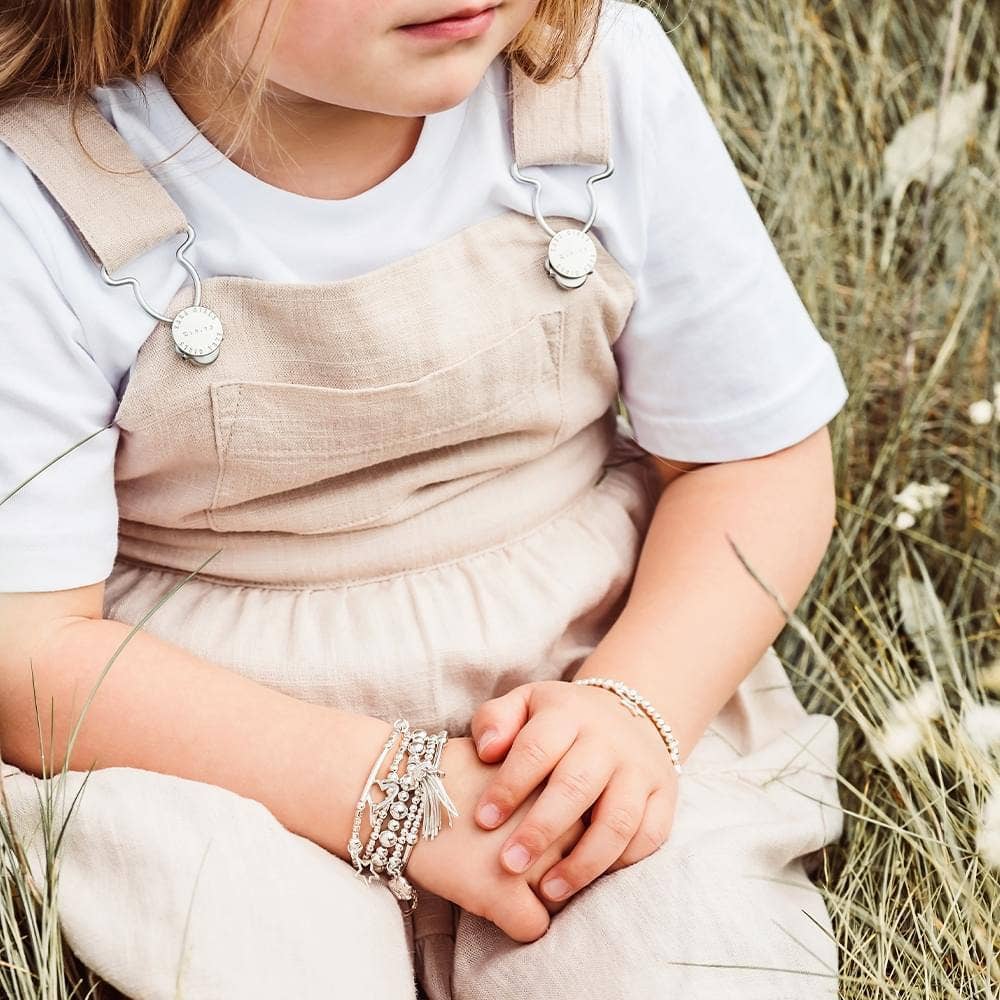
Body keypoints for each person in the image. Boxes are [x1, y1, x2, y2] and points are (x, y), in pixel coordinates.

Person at [0, 0, 849, 997]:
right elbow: (32, 653)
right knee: (242, 946)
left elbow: (752, 464)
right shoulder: (44, 188)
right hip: (216, 735)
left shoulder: (585, 75)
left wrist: (632, 707)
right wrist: (390, 793)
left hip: (582, 662)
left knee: (681, 953)